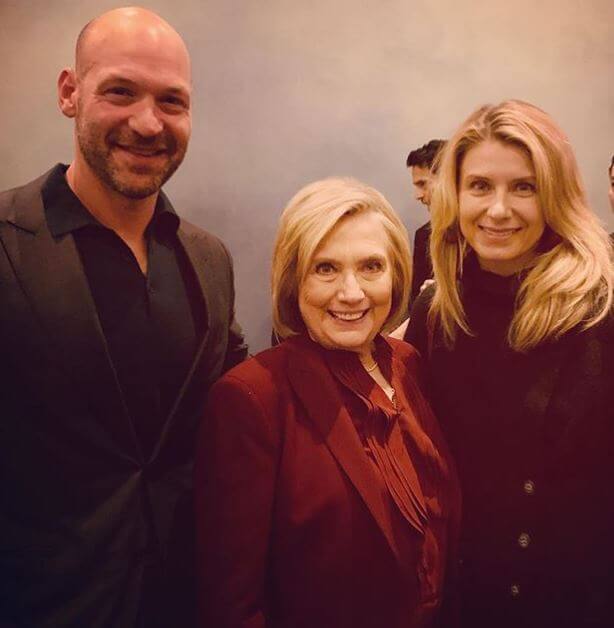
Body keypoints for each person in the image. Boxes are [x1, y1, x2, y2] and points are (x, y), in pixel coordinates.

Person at [0, 7, 246, 627]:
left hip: (185, 605)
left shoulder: (210, 260)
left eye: (172, 102)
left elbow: (245, 408)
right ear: (68, 93)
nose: (147, 122)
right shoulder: (5, 242)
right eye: (120, 91)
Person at [195, 177, 460, 628]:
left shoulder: (408, 364)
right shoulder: (252, 398)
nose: (352, 292)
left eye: (371, 267)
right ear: (294, 278)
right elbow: (231, 603)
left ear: (397, 273)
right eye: (326, 268)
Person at [404, 100, 614, 628]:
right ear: (455, 193)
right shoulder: (436, 310)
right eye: (480, 186)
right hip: (467, 600)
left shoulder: (602, 308)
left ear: (554, 195)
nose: (498, 210)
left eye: (524, 187)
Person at [406, 139, 447, 302]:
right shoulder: (423, 236)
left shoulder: (485, 232)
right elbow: (413, 304)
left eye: (423, 184)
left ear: (448, 178)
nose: (418, 195)